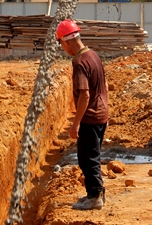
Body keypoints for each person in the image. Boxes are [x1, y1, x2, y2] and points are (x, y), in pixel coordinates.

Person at [56, 19, 109, 211]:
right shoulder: (93, 55)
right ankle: (96, 193)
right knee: (92, 156)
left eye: (62, 45)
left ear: (66, 42)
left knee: (87, 159)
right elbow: (104, 85)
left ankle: (95, 197)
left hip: (90, 117)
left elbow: (85, 94)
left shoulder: (79, 62)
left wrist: (76, 123)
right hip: (101, 114)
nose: (64, 49)